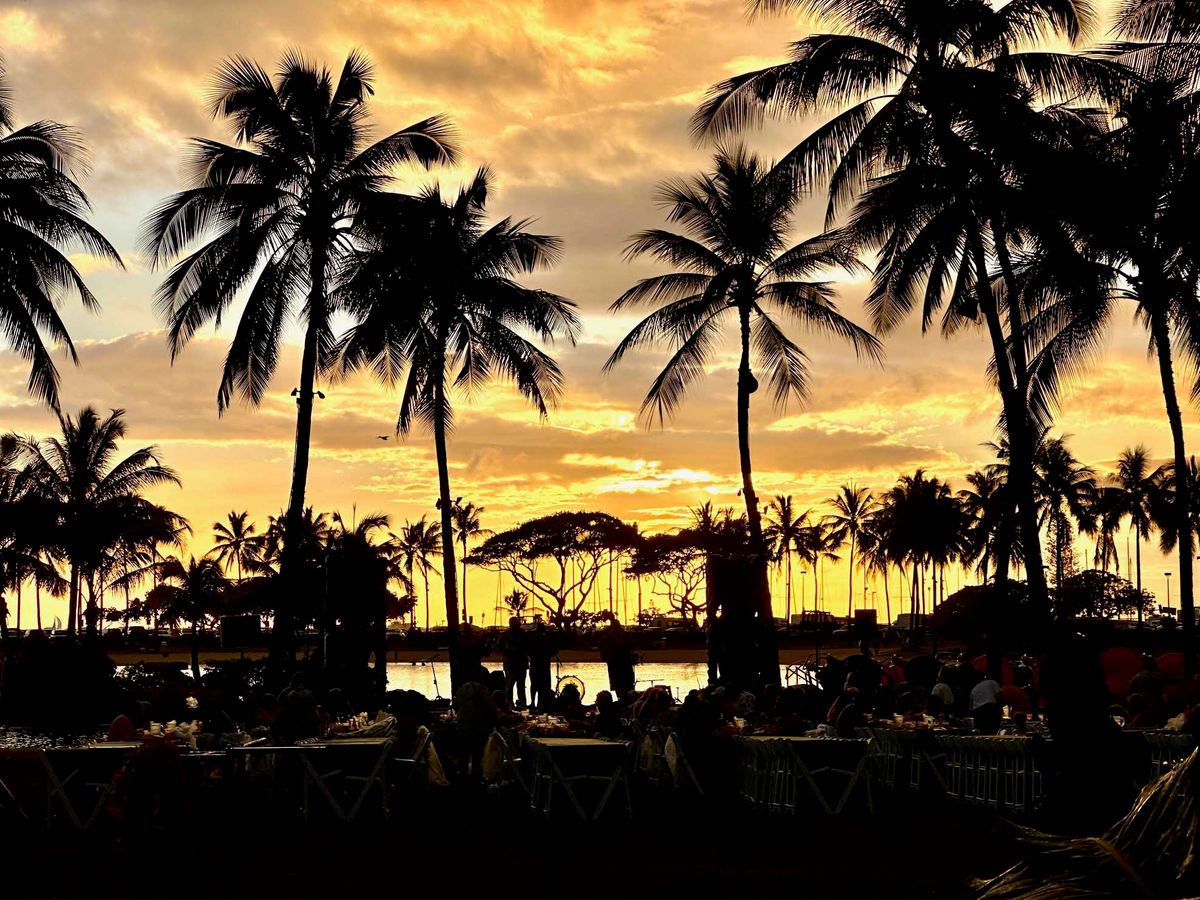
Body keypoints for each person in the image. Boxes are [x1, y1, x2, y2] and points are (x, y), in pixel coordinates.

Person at [599, 616, 637, 696]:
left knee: (626, 688)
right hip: (616, 667)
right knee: (620, 688)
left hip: (624, 666)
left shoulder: (626, 636)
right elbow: (603, 653)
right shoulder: (607, 638)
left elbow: (632, 648)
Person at [496, 617, 529, 709]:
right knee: (510, 686)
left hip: (520, 664)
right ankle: (509, 704)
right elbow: (498, 648)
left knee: (520, 686)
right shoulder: (504, 635)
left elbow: (528, 647)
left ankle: (522, 704)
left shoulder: (523, 634)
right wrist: (507, 653)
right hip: (510, 664)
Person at [528, 618, 555, 711]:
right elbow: (553, 651)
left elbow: (529, 651)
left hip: (535, 665)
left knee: (534, 685)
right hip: (543, 666)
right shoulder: (546, 639)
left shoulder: (533, 639)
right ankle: (539, 703)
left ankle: (533, 702)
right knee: (542, 686)